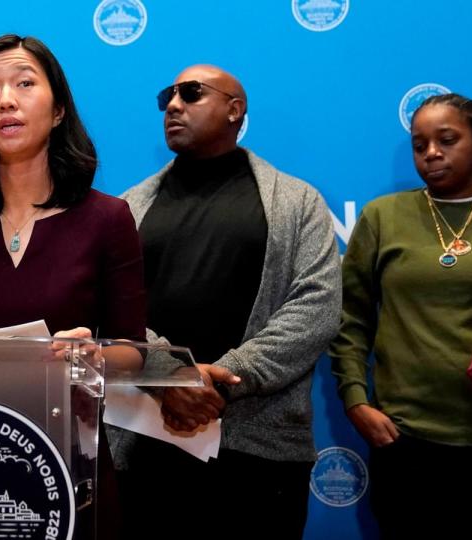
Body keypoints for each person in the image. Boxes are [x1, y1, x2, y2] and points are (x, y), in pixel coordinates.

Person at [0, 34, 146, 538]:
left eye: (23, 84)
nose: (6, 100)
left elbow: (134, 350)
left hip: (69, 457)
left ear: (58, 110)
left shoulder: (107, 218)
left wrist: (95, 355)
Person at [113, 64, 341, 537]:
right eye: (167, 96)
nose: (173, 105)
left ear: (235, 109)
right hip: (145, 445)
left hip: (260, 451)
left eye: (191, 93)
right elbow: (109, 310)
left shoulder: (298, 202)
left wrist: (223, 382)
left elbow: (316, 307)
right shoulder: (126, 208)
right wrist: (170, 376)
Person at [329, 93, 472, 538]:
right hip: (404, 438)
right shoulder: (384, 217)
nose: (431, 154)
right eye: (420, 144)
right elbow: (349, 318)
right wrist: (356, 401)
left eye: (447, 140)